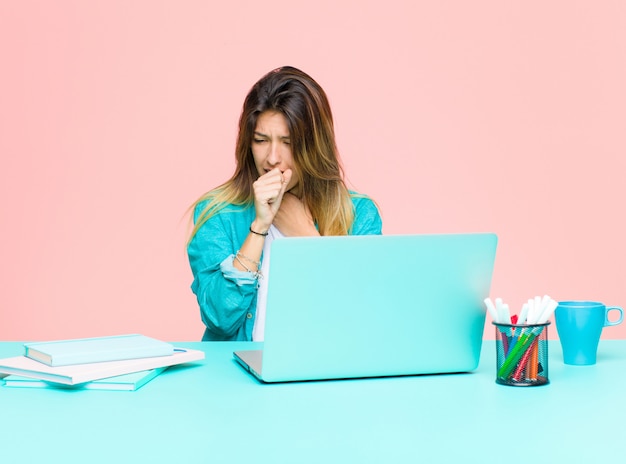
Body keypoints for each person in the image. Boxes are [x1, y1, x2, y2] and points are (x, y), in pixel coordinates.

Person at [187, 66, 382, 341]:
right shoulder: (218, 212)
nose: (272, 158)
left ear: (314, 146)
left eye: (288, 142)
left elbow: (364, 318)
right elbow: (220, 318)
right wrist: (259, 227)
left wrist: (304, 235)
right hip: (237, 378)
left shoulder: (359, 215)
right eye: (261, 140)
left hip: (323, 376)